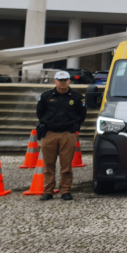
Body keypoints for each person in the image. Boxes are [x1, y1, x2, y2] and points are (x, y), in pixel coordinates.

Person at [35, 71, 87, 201]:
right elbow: (40, 113)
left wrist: (74, 127)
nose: (62, 83)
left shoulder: (77, 97)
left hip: (68, 134)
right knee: (48, 165)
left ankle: (65, 190)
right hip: (49, 133)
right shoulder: (46, 96)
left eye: (65, 80)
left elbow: (82, 115)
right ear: (55, 81)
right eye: (60, 80)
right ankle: (48, 191)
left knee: (66, 166)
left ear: (69, 81)